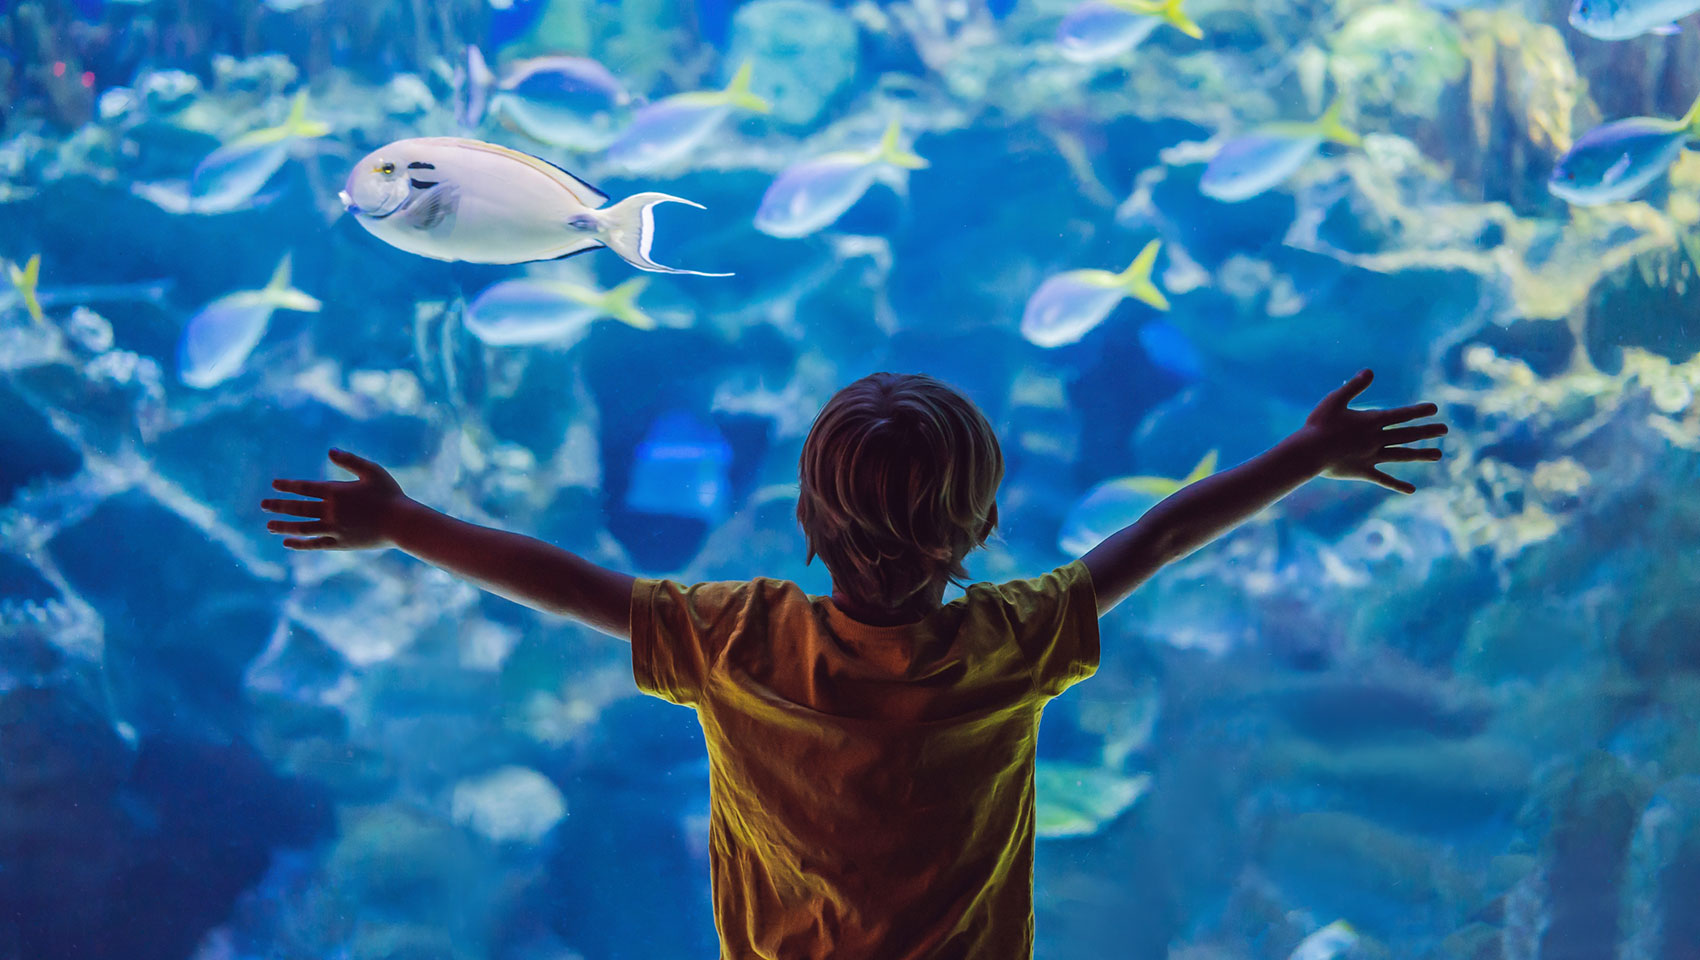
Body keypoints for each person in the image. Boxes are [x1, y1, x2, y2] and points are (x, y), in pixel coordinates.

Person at [260, 367, 1445, 960]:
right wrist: (1304, 454)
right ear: (980, 530)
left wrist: (405, 523)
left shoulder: (737, 637)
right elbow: (1161, 534)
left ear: (805, 523)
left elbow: (571, 586)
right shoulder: (1012, 639)